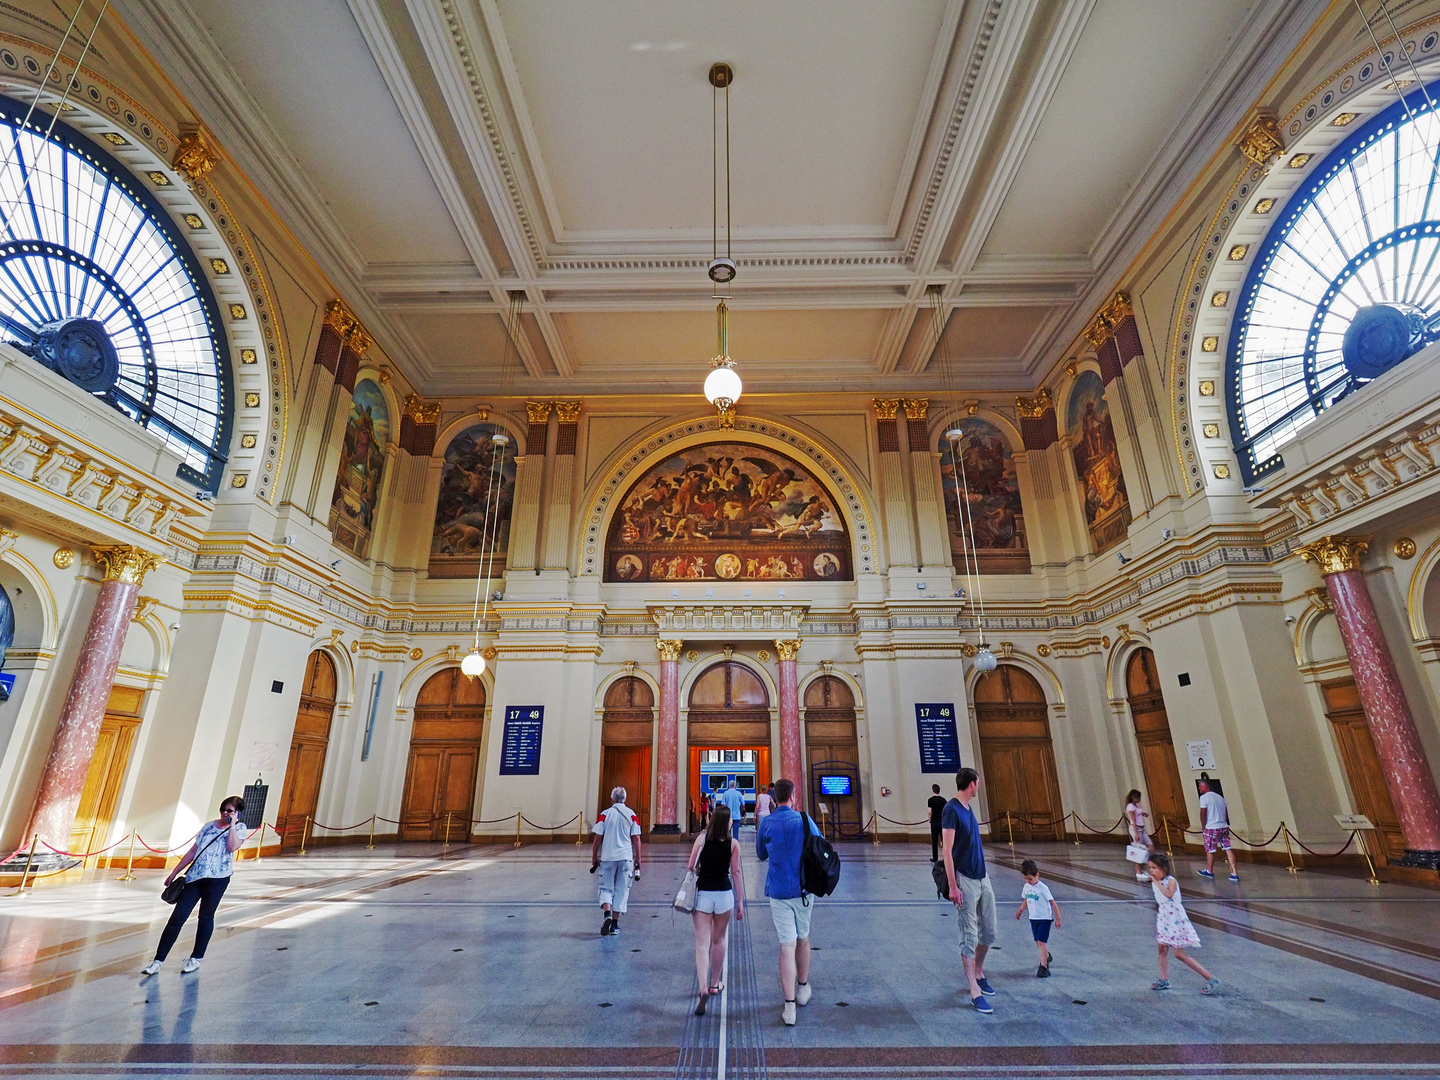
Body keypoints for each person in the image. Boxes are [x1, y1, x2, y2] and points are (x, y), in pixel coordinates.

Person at [141, 796, 249, 975]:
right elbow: (193, 850)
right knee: (177, 917)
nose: (224, 813)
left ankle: (196, 958)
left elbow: (232, 847)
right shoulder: (208, 826)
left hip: (218, 879)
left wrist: (232, 825)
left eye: (229, 810)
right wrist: (175, 872)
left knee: (206, 917)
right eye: (223, 809)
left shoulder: (240, 829)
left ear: (237, 812)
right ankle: (158, 960)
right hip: (195, 877)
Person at [755, 777, 822, 1027]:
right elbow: (819, 843)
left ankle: (789, 1006)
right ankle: (803, 987)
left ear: (774, 799)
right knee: (803, 937)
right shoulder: (804, 820)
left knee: (786, 945)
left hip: (779, 891)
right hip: (804, 890)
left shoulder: (767, 822)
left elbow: (761, 855)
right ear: (792, 797)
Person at [942, 767, 998, 1014]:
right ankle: (974, 989)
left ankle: (979, 969)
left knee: (990, 932)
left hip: (982, 877)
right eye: (978, 782)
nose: (979, 786)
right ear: (972, 784)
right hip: (965, 879)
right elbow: (947, 851)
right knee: (969, 935)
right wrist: (953, 886)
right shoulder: (951, 810)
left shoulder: (968, 808)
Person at [685, 803, 746, 1016]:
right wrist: (740, 901)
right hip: (724, 896)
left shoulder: (701, 840)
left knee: (702, 944)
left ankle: (702, 989)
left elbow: (691, 866)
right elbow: (736, 872)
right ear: (726, 822)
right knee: (719, 940)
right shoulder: (733, 844)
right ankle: (715, 983)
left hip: (703, 895)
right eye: (730, 819)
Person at [1147, 851, 1219, 994]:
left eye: (1154, 868)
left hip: (1175, 919)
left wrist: (1155, 882)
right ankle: (1164, 979)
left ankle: (1210, 978)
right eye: (1150, 867)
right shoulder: (1157, 881)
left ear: (1163, 868)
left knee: (1179, 954)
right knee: (1162, 949)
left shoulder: (1170, 881)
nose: (1151, 871)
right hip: (1164, 917)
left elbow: (1168, 894)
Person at [590, 786, 642, 936]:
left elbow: (598, 837)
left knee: (606, 887)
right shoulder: (631, 815)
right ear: (625, 799)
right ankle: (614, 924)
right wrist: (638, 858)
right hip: (625, 858)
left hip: (608, 857)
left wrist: (594, 856)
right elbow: (636, 838)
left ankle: (607, 913)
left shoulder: (605, 814)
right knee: (622, 889)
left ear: (612, 799)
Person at [1013, 858, 1060, 977]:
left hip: (1044, 919)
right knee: (1038, 942)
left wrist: (1058, 919)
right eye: (1025, 878)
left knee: (1041, 942)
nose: (1028, 881)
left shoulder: (1042, 888)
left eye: (1030, 878)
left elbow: (1052, 902)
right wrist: (1020, 910)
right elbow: (1026, 900)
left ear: (1037, 875)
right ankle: (1047, 956)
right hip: (1033, 918)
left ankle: (1043, 966)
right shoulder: (1026, 887)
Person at [1196, 779, 1239, 882]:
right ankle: (1234, 873)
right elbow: (1226, 811)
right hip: (1223, 826)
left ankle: (1209, 871)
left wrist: (1203, 827)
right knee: (1228, 848)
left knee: (1210, 849)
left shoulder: (1204, 798)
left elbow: (1203, 813)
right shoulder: (1220, 797)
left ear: (1205, 787)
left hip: (1211, 827)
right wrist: (1226, 822)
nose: (1199, 788)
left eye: (1200, 786)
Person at [1125, 789, 1154, 883]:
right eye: (1138, 797)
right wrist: (1136, 833)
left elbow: (1137, 814)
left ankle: (1142, 865)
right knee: (1139, 850)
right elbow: (1133, 820)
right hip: (1136, 829)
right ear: (1133, 797)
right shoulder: (1130, 807)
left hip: (1142, 828)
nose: (1140, 799)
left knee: (1151, 846)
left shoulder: (1135, 806)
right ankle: (1138, 870)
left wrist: (1143, 813)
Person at [927, 783, 948, 863]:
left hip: (934, 822)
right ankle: (946, 856)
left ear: (933, 791)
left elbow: (929, 812)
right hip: (942, 822)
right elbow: (946, 810)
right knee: (944, 840)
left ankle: (935, 857)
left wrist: (929, 819)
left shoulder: (930, 800)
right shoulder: (943, 800)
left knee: (934, 840)